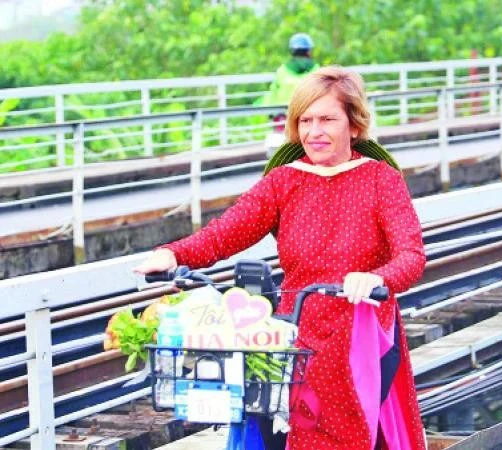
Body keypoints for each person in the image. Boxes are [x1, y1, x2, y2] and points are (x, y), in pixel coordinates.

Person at [135, 67, 427, 450]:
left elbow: (411, 254)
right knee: (276, 429)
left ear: (354, 126)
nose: (314, 131)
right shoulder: (284, 180)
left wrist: (377, 279)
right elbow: (228, 231)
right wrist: (173, 254)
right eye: (305, 120)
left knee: (354, 435)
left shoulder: (380, 179)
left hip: (360, 333)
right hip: (293, 334)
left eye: (327, 119)